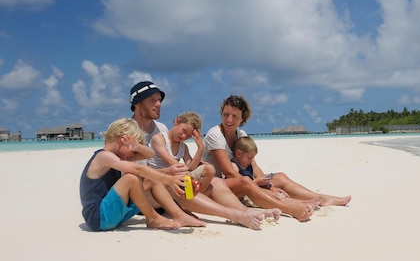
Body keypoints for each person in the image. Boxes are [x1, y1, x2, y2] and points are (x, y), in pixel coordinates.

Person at [128, 81, 280, 229]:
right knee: (179, 184)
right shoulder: (126, 130)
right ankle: (233, 215)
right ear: (137, 103)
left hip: (164, 186)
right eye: (152, 100)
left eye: (159, 100)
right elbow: (130, 174)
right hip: (143, 192)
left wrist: (197, 158)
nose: (159, 104)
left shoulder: (160, 128)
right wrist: (167, 174)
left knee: (216, 182)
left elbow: (174, 157)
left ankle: (245, 211)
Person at [203, 95, 351, 222]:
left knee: (279, 177)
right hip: (218, 186)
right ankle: (291, 208)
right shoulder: (215, 135)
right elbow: (229, 173)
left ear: (242, 118)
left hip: (241, 179)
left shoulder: (241, 135)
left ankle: (322, 198)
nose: (229, 119)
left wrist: (269, 185)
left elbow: (254, 167)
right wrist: (260, 185)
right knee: (246, 181)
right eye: (225, 114)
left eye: (234, 116)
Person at [79, 118, 206, 231]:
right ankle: (153, 218)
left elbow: (149, 154)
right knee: (131, 178)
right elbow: (138, 169)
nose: (133, 155)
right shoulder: (103, 156)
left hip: (114, 213)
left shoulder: (118, 157)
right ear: (122, 140)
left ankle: (179, 216)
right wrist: (169, 179)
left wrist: (136, 147)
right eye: (133, 150)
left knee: (151, 178)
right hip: (99, 218)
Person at [148, 111, 213, 196]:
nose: (183, 136)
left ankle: (194, 198)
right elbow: (170, 161)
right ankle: (191, 200)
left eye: (188, 136)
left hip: (175, 175)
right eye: (184, 131)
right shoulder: (159, 139)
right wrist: (189, 168)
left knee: (210, 169)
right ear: (177, 121)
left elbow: (191, 167)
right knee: (186, 174)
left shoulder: (183, 146)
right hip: (159, 177)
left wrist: (200, 148)